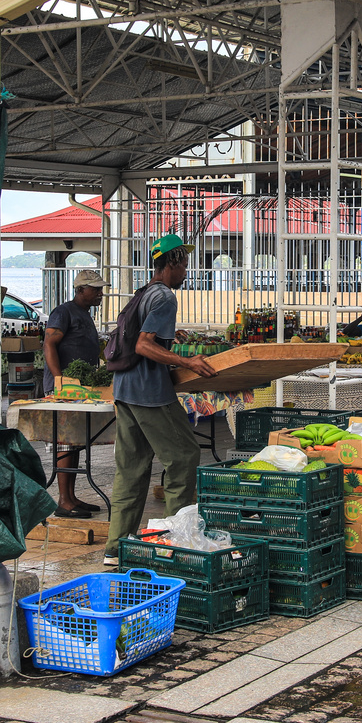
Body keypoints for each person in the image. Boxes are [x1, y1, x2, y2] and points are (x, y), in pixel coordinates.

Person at [103, 235, 217, 564]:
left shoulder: (144, 292)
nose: (185, 272)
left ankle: (115, 549)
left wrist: (171, 339)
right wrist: (188, 361)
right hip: (149, 392)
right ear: (170, 264)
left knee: (131, 469)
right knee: (182, 457)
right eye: (183, 265)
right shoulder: (165, 296)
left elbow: (145, 337)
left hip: (123, 390)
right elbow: (142, 345)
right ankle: (177, 545)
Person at [42, 269, 107, 518]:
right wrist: (60, 379)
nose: (100, 293)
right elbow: (49, 344)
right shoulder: (63, 312)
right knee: (65, 441)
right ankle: (63, 501)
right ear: (80, 290)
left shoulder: (85, 314)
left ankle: (70, 497)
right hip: (64, 388)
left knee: (75, 441)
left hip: (80, 388)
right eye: (95, 289)